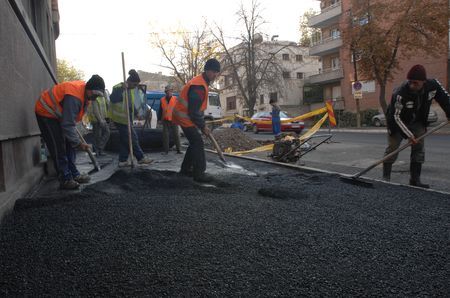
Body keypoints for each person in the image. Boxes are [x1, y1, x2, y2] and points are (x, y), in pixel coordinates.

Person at [383, 64, 450, 188]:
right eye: (410, 82)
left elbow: (445, 99)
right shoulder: (400, 93)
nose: (412, 85)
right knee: (392, 148)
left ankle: (415, 179)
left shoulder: (433, 85)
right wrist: (409, 136)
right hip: (397, 122)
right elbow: (395, 117)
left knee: (419, 149)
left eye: (415, 83)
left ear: (423, 82)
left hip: (418, 121)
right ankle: (386, 178)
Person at [34, 75, 105, 189]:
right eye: (95, 94)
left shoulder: (86, 97)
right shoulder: (74, 97)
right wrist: (78, 143)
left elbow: (71, 121)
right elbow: (67, 124)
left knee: (69, 143)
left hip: (58, 116)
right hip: (46, 111)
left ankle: (74, 174)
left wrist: (74, 141)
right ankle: (65, 178)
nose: (96, 97)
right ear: (89, 89)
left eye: (98, 95)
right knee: (59, 145)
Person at [172, 58, 221, 183]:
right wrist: (203, 126)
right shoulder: (198, 86)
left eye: (217, 72)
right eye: (215, 72)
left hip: (186, 116)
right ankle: (199, 173)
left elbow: (196, 110)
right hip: (185, 117)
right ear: (208, 71)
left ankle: (185, 169)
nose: (216, 75)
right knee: (198, 142)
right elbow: (194, 111)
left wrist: (201, 124)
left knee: (194, 142)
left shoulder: (201, 82)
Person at [110, 69, 153, 167]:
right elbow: (113, 99)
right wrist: (122, 89)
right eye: (134, 85)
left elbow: (130, 104)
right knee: (133, 138)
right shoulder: (118, 88)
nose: (134, 87)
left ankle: (122, 160)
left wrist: (137, 113)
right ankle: (140, 158)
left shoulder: (130, 90)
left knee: (125, 139)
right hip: (119, 119)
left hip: (126, 119)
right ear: (129, 82)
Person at [158, 85, 181, 154]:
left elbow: (179, 109)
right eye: (167, 91)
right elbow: (160, 110)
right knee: (165, 136)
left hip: (174, 120)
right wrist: (159, 119)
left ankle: (178, 150)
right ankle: (166, 151)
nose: (168, 92)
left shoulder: (175, 99)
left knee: (176, 135)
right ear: (165, 92)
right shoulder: (162, 100)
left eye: (170, 91)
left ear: (172, 91)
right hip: (165, 120)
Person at [87, 91, 110, 156]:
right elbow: (95, 110)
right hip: (96, 119)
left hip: (102, 119)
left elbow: (105, 106)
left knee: (107, 132)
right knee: (97, 136)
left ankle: (99, 148)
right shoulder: (94, 97)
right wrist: (100, 120)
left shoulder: (103, 97)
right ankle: (97, 151)